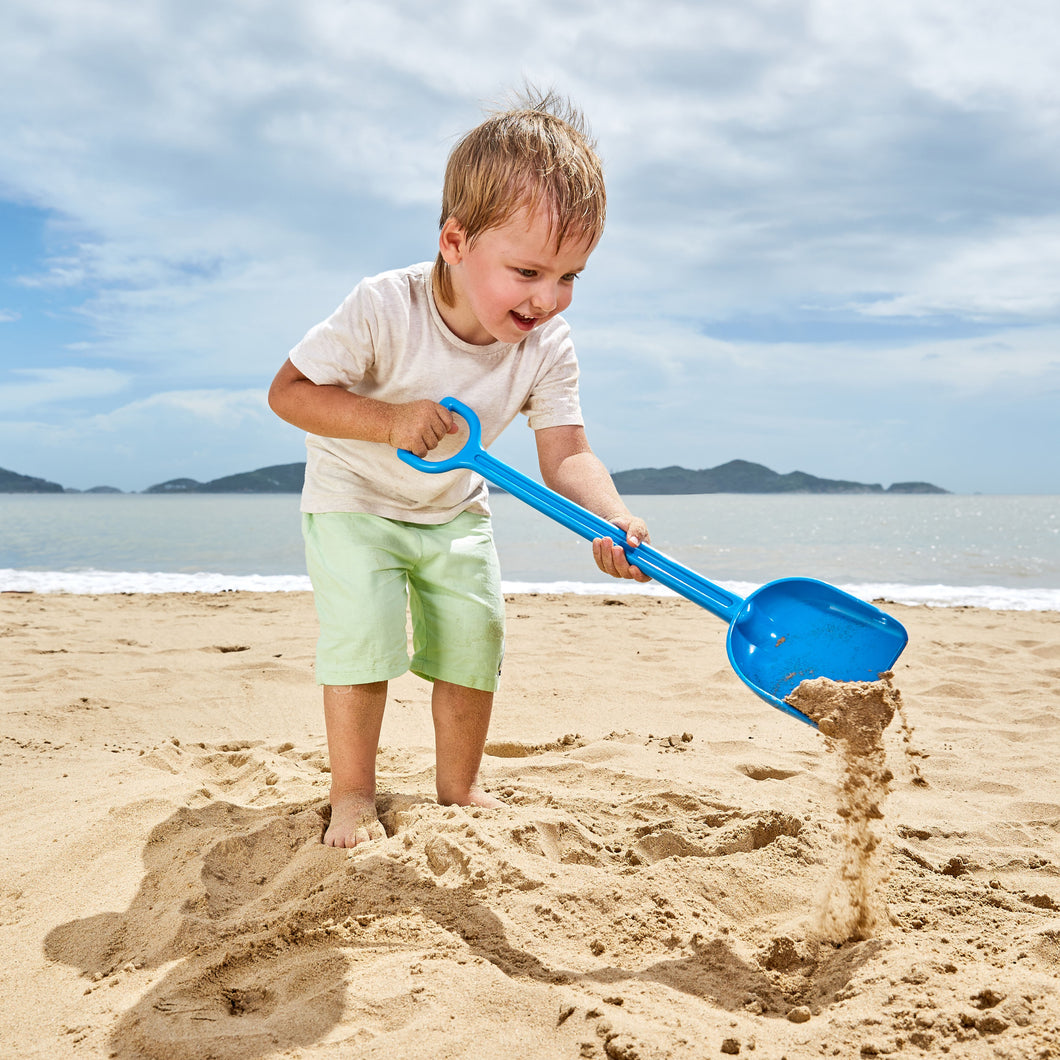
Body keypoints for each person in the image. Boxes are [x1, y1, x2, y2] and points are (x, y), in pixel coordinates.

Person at [268, 90, 650, 848]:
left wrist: (610, 513)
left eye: (571, 276)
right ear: (454, 241)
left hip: (452, 506)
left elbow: (566, 452)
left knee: (474, 635)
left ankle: (460, 788)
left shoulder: (547, 345)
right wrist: (389, 420)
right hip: (355, 499)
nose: (549, 299)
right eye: (529, 271)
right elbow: (289, 393)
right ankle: (351, 795)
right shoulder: (385, 306)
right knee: (363, 636)